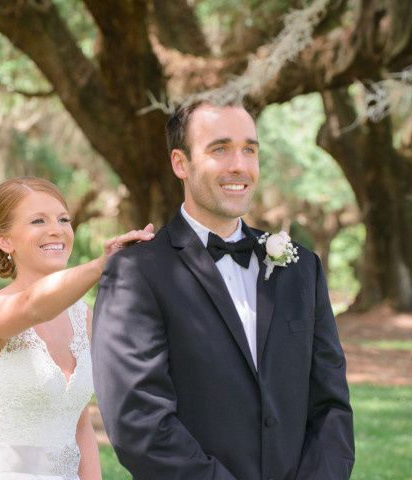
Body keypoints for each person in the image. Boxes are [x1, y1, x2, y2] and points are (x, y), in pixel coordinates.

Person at [91, 101, 355, 479]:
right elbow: (138, 421)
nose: (240, 165)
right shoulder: (137, 273)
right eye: (220, 149)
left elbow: (331, 406)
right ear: (180, 164)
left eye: (249, 149)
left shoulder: (302, 269)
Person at [0, 176, 154, 480]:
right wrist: (101, 264)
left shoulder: (83, 318)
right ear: (4, 240)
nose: (57, 230)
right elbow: (34, 306)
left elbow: (79, 425)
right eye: (38, 221)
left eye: (63, 219)